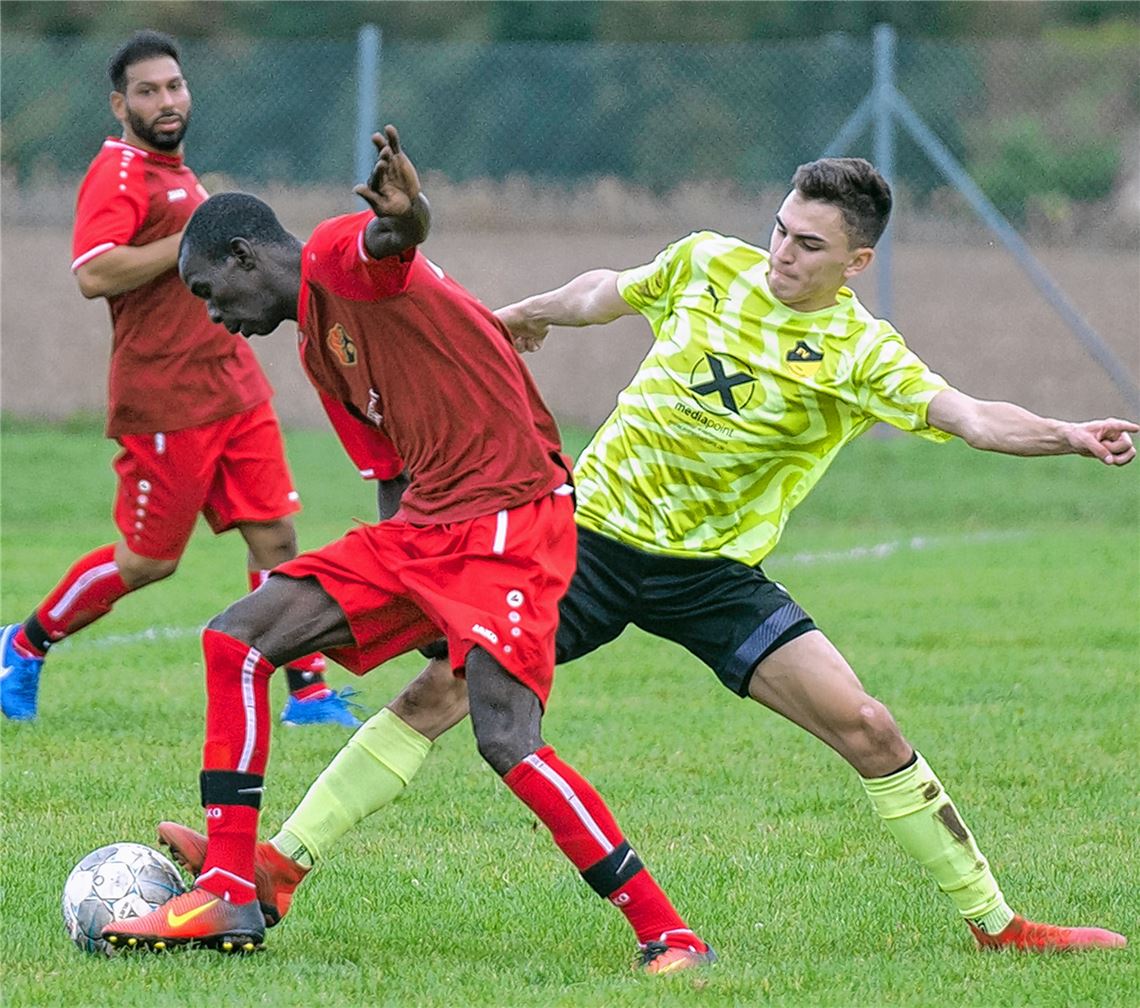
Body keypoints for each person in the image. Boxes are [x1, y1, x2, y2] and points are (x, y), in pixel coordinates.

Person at [157, 155, 1135, 955]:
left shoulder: (862, 355)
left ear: (856, 262)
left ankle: (999, 927)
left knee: (869, 727)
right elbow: (605, 292)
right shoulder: (711, 263)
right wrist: (523, 313)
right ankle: (274, 865)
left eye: (807, 245)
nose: (779, 254)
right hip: (583, 539)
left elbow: (969, 414)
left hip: (713, 577)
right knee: (440, 695)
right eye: (780, 230)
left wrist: (1065, 432)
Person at [102, 125, 714, 975]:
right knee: (235, 640)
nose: (213, 316)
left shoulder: (330, 259)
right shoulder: (321, 352)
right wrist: (421, 601)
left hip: (513, 518)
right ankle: (229, 883)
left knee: (506, 737)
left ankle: (669, 933)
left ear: (245, 256)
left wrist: (408, 211)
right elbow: (391, 473)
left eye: (210, 292)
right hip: (425, 531)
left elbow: (393, 241)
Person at [0, 30, 360, 729]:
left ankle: (308, 693)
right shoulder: (122, 174)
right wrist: (186, 238)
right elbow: (93, 272)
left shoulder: (177, 171)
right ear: (119, 103)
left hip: (232, 381)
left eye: (175, 86)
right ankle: (23, 644)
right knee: (147, 563)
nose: (166, 100)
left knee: (277, 537)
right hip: (165, 397)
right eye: (148, 90)